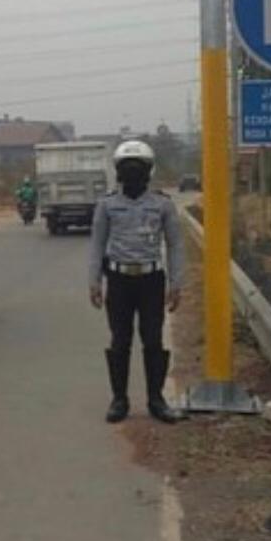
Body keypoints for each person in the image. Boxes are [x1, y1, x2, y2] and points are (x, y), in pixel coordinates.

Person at [88, 140, 184, 424]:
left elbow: (176, 245)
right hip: (118, 280)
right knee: (120, 341)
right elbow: (97, 244)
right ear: (118, 171)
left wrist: (176, 284)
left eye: (137, 167)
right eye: (126, 167)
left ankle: (156, 399)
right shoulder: (106, 205)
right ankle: (119, 400)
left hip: (151, 280)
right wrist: (94, 281)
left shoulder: (162, 204)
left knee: (153, 341)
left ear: (148, 171)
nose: (131, 173)